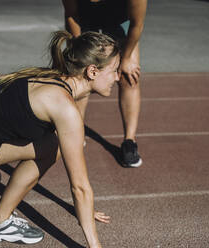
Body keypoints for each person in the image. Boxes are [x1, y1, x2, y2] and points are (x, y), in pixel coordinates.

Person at [0, 30, 120, 248]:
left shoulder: (53, 79)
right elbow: (80, 188)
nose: (118, 77)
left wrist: (85, 209)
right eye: (114, 71)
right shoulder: (64, 107)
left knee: (52, 146)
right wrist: (95, 245)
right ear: (92, 71)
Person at [62, 0, 148, 168]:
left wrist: (127, 57)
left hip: (120, 25)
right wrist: (81, 50)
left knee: (129, 76)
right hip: (84, 24)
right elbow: (71, 15)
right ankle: (76, 132)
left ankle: (129, 142)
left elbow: (137, 25)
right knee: (81, 75)